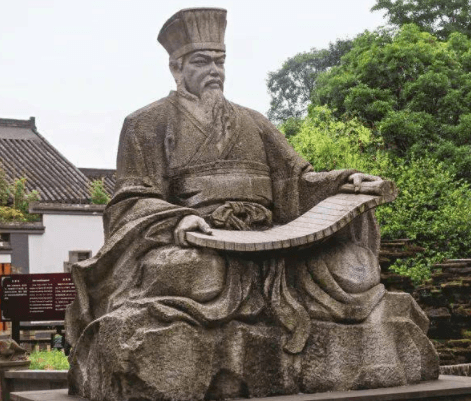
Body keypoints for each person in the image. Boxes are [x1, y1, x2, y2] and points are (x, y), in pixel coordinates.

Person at [65, 8, 438, 401]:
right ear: (176, 68)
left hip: (273, 243)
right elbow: (132, 196)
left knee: (355, 269)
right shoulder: (146, 123)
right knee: (190, 272)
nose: (214, 70)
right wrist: (179, 221)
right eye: (202, 61)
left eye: (220, 62)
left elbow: (298, 182)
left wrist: (345, 182)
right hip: (205, 244)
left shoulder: (254, 122)